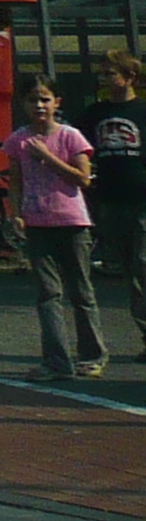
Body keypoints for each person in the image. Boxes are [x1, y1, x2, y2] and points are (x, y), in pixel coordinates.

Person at [9, 76, 106, 380]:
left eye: (45, 99)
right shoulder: (18, 140)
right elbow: (15, 181)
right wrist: (16, 213)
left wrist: (48, 157)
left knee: (81, 291)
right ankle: (56, 360)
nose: (39, 105)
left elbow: (83, 178)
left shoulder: (71, 137)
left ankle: (92, 355)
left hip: (72, 222)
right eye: (33, 100)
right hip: (38, 223)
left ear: (56, 103)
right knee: (48, 294)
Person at [80, 53, 146, 356]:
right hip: (109, 200)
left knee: (144, 267)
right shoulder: (95, 113)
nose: (104, 79)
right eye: (102, 74)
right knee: (130, 270)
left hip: (141, 200)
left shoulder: (142, 111)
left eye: (110, 74)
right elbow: (78, 147)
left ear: (129, 77)